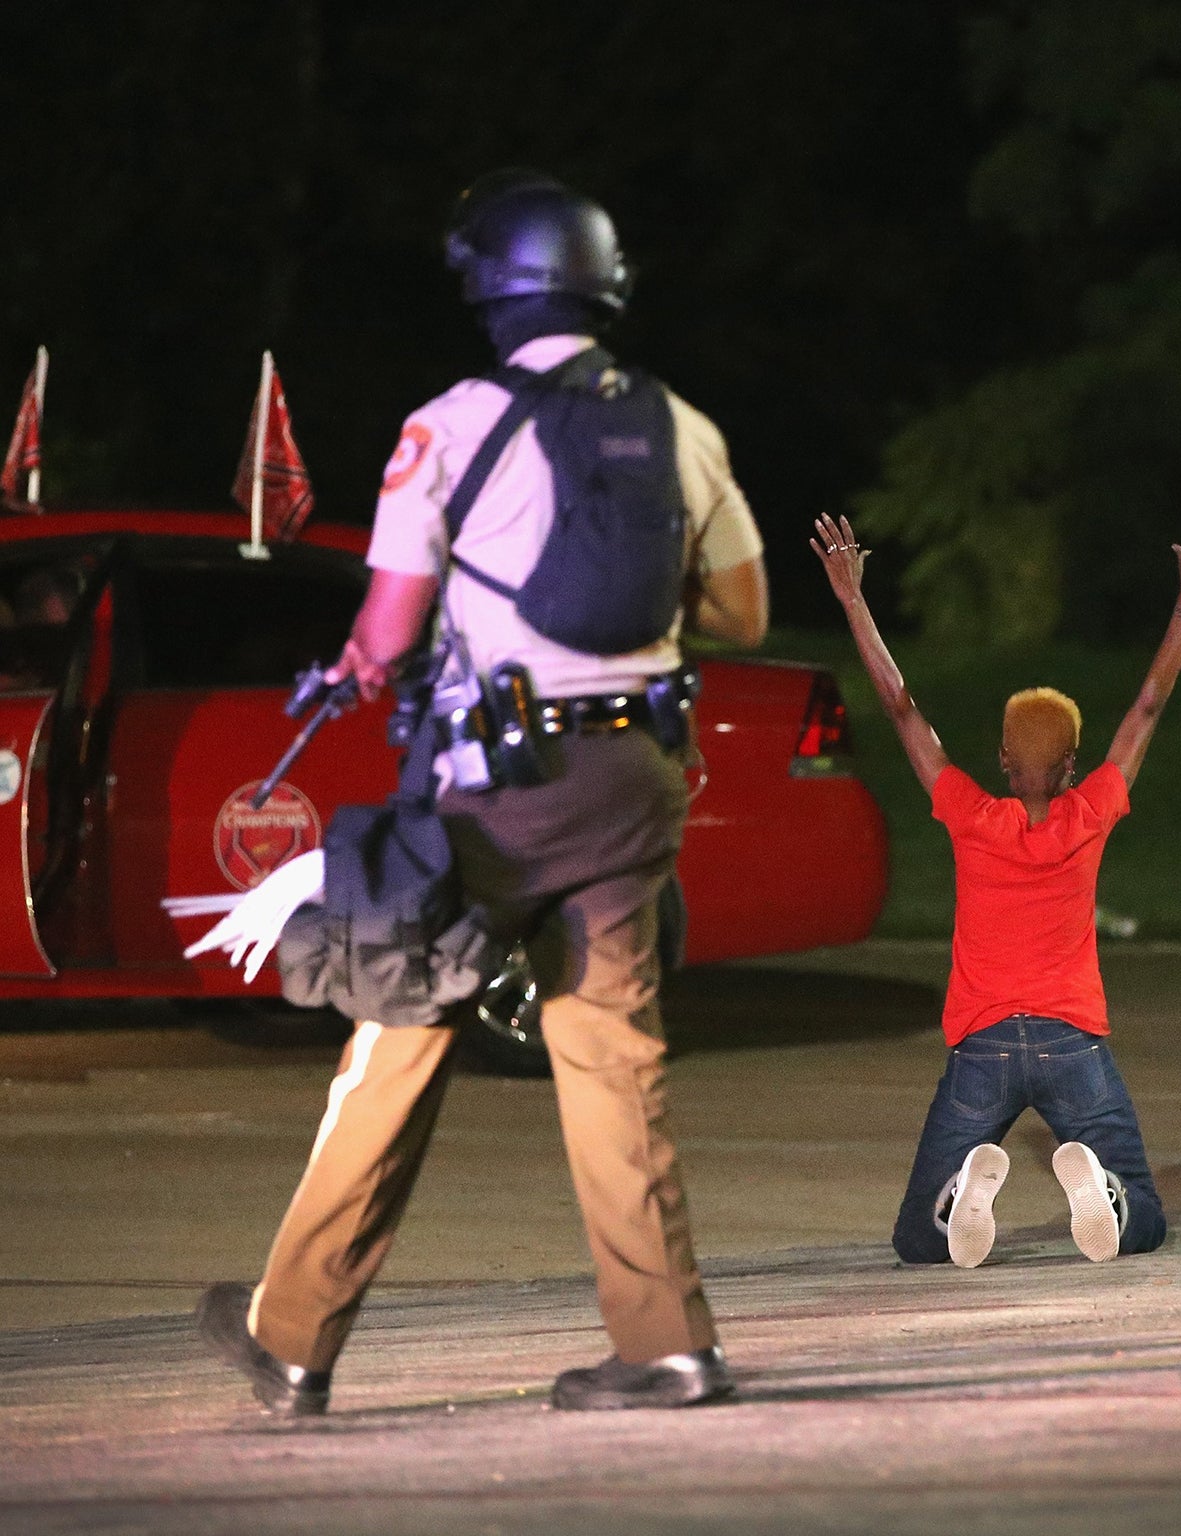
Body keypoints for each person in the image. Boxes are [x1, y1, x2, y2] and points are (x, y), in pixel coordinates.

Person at [197, 170, 769, 1414]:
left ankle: (291, 1338)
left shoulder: (446, 425)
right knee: (614, 1056)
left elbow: (392, 628)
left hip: (498, 788)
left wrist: (360, 661)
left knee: (396, 1033)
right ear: (603, 283)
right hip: (638, 775)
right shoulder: (679, 424)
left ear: (490, 289)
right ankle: (667, 1344)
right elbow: (743, 608)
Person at [811, 511, 1181, 1269]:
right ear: (1072, 766)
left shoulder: (971, 816)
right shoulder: (1090, 812)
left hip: (983, 1045)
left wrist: (852, 599)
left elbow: (902, 707)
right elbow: (1147, 707)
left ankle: (956, 1198)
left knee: (916, 1240)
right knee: (1147, 1220)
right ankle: (1105, 1194)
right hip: (1073, 1042)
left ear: (1004, 760)